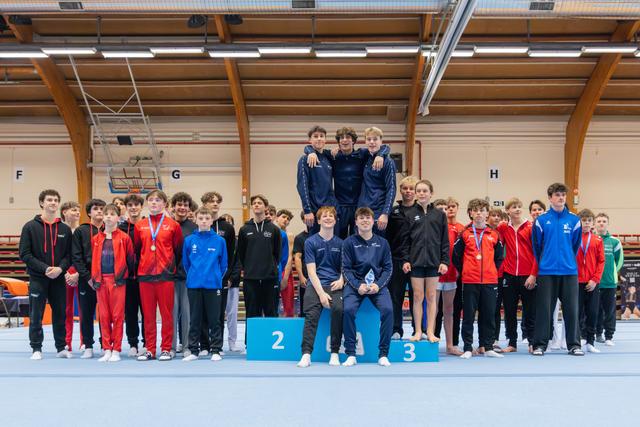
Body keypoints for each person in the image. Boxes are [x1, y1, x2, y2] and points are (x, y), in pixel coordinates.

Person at [304, 127, 388, 239]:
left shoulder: (362, 154)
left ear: (353, 140)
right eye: (341, 138)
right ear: (338, 142)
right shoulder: (333, 156)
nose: (344, 140)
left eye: (348, 137)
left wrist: (380, 155)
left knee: (358, 240)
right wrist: (310, 152)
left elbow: (385, 147)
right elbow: (310, 147)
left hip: (359, 205)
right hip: (340, 207)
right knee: (339, 239)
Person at [20, 189, 73, 360]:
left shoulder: (64, 229)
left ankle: (61, 347)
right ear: (42, 203)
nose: (53, 203)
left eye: (56, 200)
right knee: (36, 313)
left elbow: (69, 255)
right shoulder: (29, 227)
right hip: (38, 277)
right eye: (49, 200)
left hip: (58, 278)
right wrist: (44, 268)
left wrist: (60, 269)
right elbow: (25, 254)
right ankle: (36, 347)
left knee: (60, 313)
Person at [531, 183, 583, 356]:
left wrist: (567, 259)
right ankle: (539, 345)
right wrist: (545, 262)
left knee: (572, 310)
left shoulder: (575, 220)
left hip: (569, 272)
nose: (561, 198)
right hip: (547, 272)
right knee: (544, 309)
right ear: (550, 198)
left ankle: (574, 345)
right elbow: (536, 246)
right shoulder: (541, 220)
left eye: (563, 195)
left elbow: (575, 246)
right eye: (557, 195)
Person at [452, 198, 505, 359]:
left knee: (488, 315)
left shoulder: (494, 234)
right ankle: (468, 347)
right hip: (469, 281)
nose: (479, 214)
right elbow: (456, 256)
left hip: (489, 281)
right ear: (470, 213)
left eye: (482, 210)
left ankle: (487, 346)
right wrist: (466, 270)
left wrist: (491, 270)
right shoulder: (465, 234)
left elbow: (499, 258)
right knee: (468, 315)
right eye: (475, 211)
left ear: (487, 213)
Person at [134, 190, 183, 361]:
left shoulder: (173, 225)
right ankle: (150, 349)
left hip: (165, 276)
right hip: (145, 276)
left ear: (164, 204)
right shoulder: (140, 225)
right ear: (147, 203)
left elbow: (177, 249)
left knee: (166, 314)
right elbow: (137, 248)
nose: (154, 203)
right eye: (151, 200)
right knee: (147, 315)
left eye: (158, 200)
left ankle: (166, 348)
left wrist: (168, 267)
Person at [342, 207, 393, 367]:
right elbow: (346, 269)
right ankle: (350, 353)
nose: (365, 220)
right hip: (355, 286)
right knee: (348, 310)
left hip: (377, 286)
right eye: (361, 218)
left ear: (374, 221)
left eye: (368, 218)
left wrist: (378, 285)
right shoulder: (349, 242)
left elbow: (388, 268)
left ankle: (383, 354)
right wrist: (358, 286)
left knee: (388, 311)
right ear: (356, 222)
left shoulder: (383, 243)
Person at [400, 180, 449, 344]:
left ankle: (430, 331)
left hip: (434, 262)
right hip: (416, 262)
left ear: (431, 193)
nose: (421, 193)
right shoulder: (409, 214)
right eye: (418, 191)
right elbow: (405, 240)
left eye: (424, 191)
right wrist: (406, 259)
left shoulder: (439, 215)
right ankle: (418, 331)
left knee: (431, 296)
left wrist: (444, 261)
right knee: (418, 296)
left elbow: (444, 240)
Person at [297, 206, 344, 368]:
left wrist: (341, 280)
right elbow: (311, 271)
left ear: (335, 220)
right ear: (318, 221)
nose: (328, 218)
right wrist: (322, 294)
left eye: (331, 216)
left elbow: (345, 268)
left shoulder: (341, 243)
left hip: (335, 284)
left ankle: (335, 353)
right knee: (311, 315)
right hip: (316, 284)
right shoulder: (311, 242)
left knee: (338, 310)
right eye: (325, 216)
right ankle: (306, 354)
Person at [182, 207, 228, 362]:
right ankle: (194, 350)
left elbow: (224, 265)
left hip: (213, 285)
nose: (203, 221)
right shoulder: (189, 240)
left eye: (206, 218)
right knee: (195, 319)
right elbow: (186, 263)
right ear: (195, 219)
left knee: (215, 319)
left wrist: (214, 278)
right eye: (200, 218)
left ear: (211, 220)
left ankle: (215, 349)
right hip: (194, 285)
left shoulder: (220, 241)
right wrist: (194, 277)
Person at [91, 204, 135, 362]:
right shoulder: (96, 239)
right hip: (101, 282)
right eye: (106, 214)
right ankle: (106, 348)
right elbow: (94, 261)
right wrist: (95, 278)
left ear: (118, 217)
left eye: (112, 214)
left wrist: (123, 277)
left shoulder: (124, 238)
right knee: (103, 316)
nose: (108, 217)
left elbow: (130, 259)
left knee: (117, 316)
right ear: (102, 217)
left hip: (117, 282)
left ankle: (116, 348)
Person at [237, 194, 282, 348]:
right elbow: (241, 254)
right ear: (252, 207)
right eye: (254, 203)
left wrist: (269, 267)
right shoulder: (244, 230)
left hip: (270, 278)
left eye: (259, 203)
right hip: (251, 278)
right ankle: (251, 344)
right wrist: (249, 268)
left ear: (265, 207)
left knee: (271, 312)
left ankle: (271, 344)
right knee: (252, 312)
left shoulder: (274, 230)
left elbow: (277, 254)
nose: (256, 205)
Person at [496, 198, 537, 353]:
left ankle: (532, 342)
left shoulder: (531, 227)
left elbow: (537, 253)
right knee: (509, 311)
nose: (518, 209)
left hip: (528, 275)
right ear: (508, 211)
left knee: (530, 310)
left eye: (520, 207)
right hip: (509, 274)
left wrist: (533, 274)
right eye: (514, 207)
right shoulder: (503, 228)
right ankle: (512, 343)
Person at [200, 192, 237, 352]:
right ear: (204, 204)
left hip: (220, 277)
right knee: (202, 312)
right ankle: (204, 345)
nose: (215, 204)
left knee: (218, 313)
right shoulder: (199, 225)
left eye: (217, 201)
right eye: (211, 201)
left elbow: (231, 255)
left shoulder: (227, 228)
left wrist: (228, 276)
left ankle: (217, 344)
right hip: (202, 277)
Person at [72, 198, 105, 359]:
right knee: (86, 313)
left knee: (106, 315)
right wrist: (87, 277)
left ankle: (106, 344)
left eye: (102, 209)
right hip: (87, 280)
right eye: (96, 209)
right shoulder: (81, 231)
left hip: (106, 280)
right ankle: (88, 345)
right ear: (89, 213)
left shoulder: (110, 230)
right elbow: (76, 257)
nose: (99, 211)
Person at [386, 176, 418, 340]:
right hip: (396, 259)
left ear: (416, 192)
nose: (408, 191)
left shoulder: (421, 211)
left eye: (411, 189)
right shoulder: (392, 212)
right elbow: (387, 236)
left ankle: (418, 329)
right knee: (395, 297)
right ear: (401, 190)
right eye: (405, 188)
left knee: (417, 297)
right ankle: (396, 329)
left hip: (417, 261)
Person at [432, 198, 463, 355]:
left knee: (449, 310)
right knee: (433, 309)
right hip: (434, 275)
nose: (445, 211)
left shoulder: (458, 229)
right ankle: (431, 342)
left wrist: (458, 269)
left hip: (451, 274)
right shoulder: (431, 227)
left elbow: (461, 253)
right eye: (441, 208)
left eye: (447, 208)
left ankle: (450, 345)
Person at [170, 192, 198, 357]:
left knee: (187, 314)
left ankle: (187, 346)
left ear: (189, 208)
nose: (182, 208)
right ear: (173, 206)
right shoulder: (166, 225)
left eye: (185, 205)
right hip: (169, 277)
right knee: (172, 314)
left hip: (188, 278)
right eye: (179, 204)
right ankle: (172, 347)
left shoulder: (194, 229)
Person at [297, 126, 338, 234]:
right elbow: (302, 186)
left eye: (321, 136)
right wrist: (307, 211)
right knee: (315, 243)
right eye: (315, 136)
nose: (319, 139)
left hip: (330, 210)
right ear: (310, 140)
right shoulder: (305, 159)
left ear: (325, 140)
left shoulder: (328, 158)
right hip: (314, 210)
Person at [119, 193, 146, 356]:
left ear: (141, 207)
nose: (133, 208)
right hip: (127, 278)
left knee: (146, 312)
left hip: (145, 277)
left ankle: (146, 342)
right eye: (130, 205)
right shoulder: (120, 229)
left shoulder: (147, 226)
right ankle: (133, 343)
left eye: (136, 205)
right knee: (130, 312)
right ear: (126, 208)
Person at [357, 127, 396, 236]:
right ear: (365, 141)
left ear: (381, 141)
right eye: (369, 139)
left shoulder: (388, 162)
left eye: (375, 139)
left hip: (379, 211)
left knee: (378, 246)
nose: (372, 142)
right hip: (363, 209)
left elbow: (391, 189)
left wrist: (385, 213)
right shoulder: (365, 157)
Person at [576, 209, 605, 353]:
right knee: (577, 313)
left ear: (592, 223)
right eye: (583, 220)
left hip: (593, 282)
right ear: (579, 222)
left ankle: (590, 341)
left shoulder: (597, 240)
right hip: (576, 282)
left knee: (592, 312)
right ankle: (578, 340)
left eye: (589, 221)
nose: (586, 223)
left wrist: (595, 280)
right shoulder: (572, 238)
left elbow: (601, 261)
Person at [594, 212, 623, 346]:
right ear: (595, 223)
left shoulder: (615, 241)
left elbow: (619, 260)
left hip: (609, 282)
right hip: (594, 282)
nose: (601, 223)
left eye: (604, 221)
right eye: (599, 221)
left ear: (607, 223)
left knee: (610, 311)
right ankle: (598, 333)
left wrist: (612, 273)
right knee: (595, 310)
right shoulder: (592, 239)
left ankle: (609, 336)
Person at [60, 201, 81, 352]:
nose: (77, 213)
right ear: (64, 212)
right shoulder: (58, 231)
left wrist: (80, 273)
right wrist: (64, 272)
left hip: (81, 273)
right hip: (64, 272)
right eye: (74, 210)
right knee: (66, 309)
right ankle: (66, 341)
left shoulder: (82, 231)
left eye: (78, 210)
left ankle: (84, 341)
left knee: (83, 309)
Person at [220, 213, 241, 351]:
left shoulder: (237, 242)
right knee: (217, 314)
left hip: (232, 283)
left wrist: (231, 279)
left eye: (230, 222)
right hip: (218, 282)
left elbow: (237, 263)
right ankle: (217, 341)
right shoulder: (218, 242)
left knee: (232, 314)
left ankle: (232, 341)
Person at [275, 209, 294, 316]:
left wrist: (285, 277)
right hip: (272, 270)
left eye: (288, 219)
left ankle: (288, 330)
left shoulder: (289, 235)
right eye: (283, 217)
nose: (286, 220)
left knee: (289, 306)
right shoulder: (271, 232)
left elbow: (289, 256)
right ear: (277, 218)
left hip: (285, 271)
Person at [293, 211, 310, 317]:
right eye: (306, 218)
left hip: (322, 278)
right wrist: (301, 276)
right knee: (305, 309)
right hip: (306, 278)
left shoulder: (321, 236)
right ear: (303, 220)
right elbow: (297, 257)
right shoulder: (300, 238)